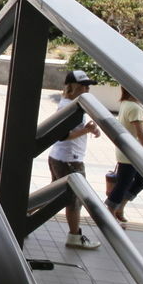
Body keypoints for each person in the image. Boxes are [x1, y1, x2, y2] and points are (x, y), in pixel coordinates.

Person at [47, 71, 102, 250]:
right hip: (70, 160)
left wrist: (88, 129)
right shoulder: (70, 107)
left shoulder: (70, 104)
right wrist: (86, 131)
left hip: (59, 157)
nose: (87, 89)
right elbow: (63, 135)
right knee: (74, 200)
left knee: (51, 196)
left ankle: (21, 218)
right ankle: (74, 236)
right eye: (84, 85)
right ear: (74, 87)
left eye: (88, 86)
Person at [103, 84, 143, 224]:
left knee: (139, 180)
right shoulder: (134, 108)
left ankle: (119, 207)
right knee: (124, 183)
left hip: (128, 151)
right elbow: (141, 135)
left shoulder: (127, 104)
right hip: (131, 154)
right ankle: (110, 211)